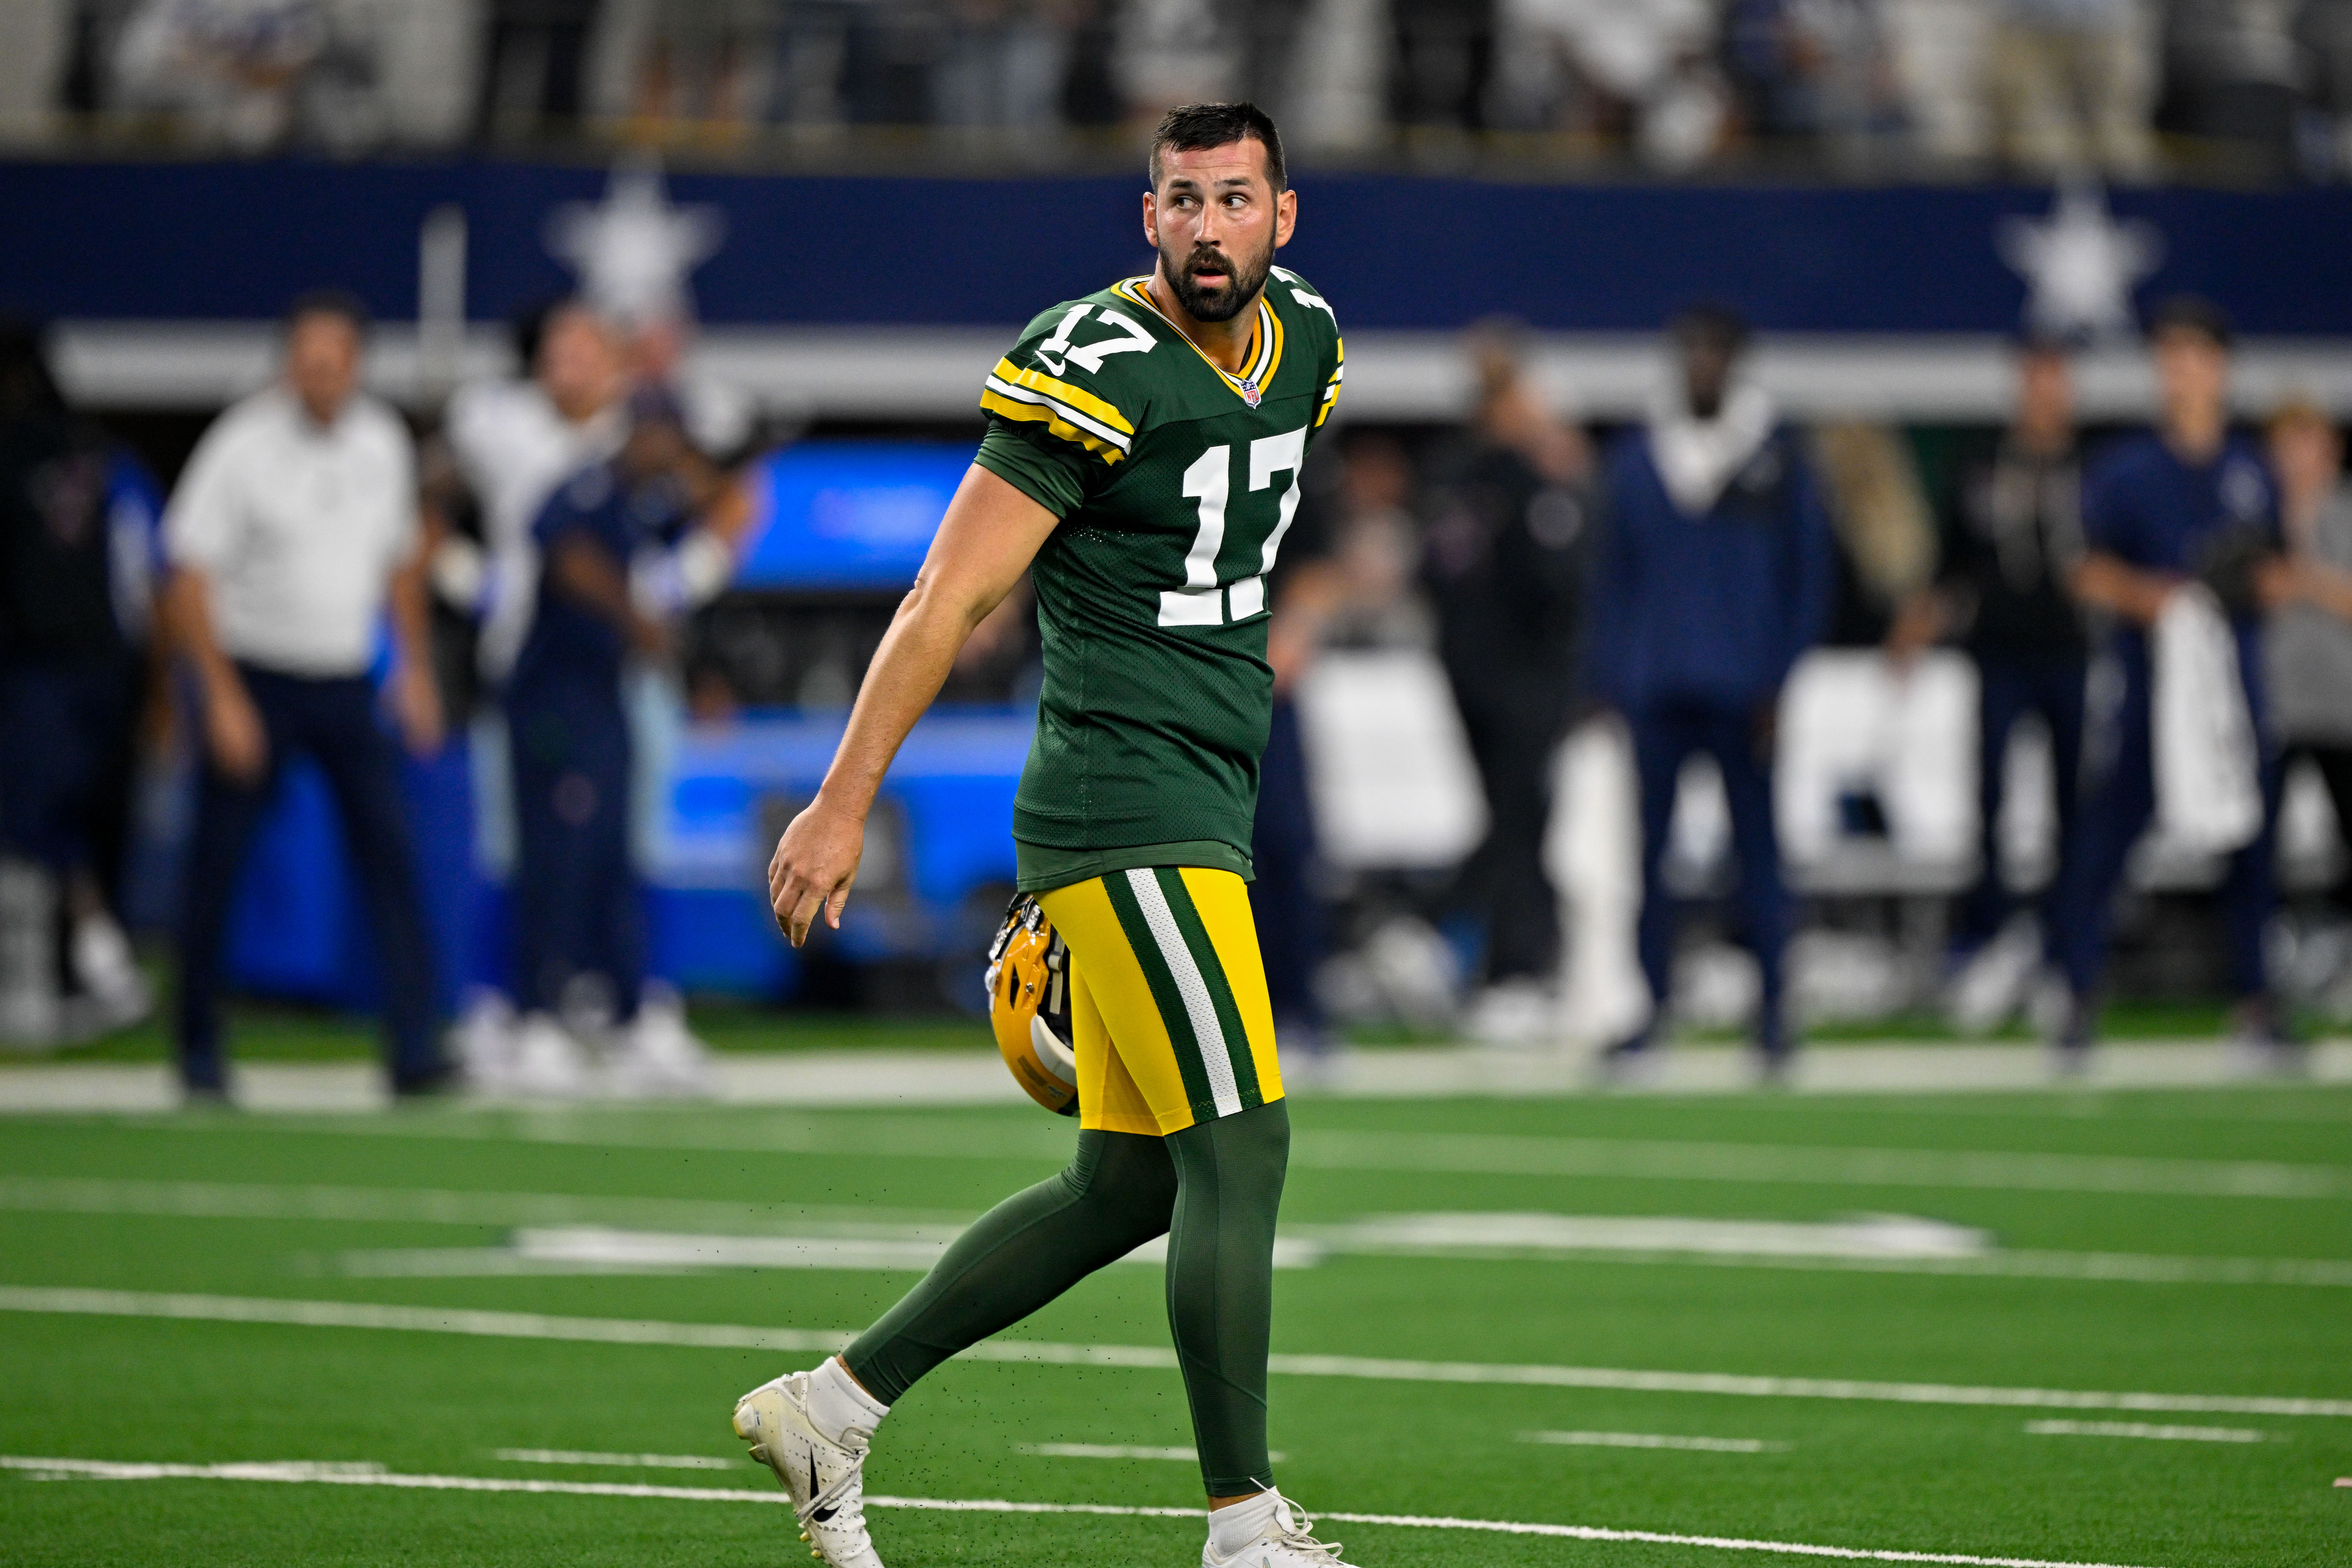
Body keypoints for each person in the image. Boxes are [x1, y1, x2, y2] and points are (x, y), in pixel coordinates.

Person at [745, 102, 1355, 1568]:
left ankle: (832, 1403)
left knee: (1132, 1179)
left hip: (1210, 787)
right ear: (1146, 217)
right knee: (1247, 1137)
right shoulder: (1092, 359)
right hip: (1124, 801)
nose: (1209, 226)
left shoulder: (1313, 346)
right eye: (1182, 200)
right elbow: (943, 599)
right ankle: (1244, 1524)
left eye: (1235, 198)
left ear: (1285, 216)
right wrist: (842, 799)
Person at [162, 290, 449, 1100]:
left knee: (390, 857)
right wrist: (219, 696)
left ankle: (414, 1045)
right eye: (307, 357)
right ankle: (196, 1045)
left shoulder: (382, 440)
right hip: (258, 676)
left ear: (356, 363)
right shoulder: (242, 443)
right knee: (217, 865)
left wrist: (415, 671)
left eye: (335, 357)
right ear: (288, 361)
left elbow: (400, 565)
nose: (320, 372)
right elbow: (186, 572)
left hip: (347, 676)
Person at [1587, 304, 1835, 1078]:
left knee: (1757, 855)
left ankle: (1771, 1016)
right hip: (1659, 684)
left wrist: (1780, 674)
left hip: (1743, 687)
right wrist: (1609, 679)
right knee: (1649, 857)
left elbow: (1809, 576)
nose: (1701, 365)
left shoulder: (1775, 454)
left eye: (1714, 352)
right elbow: (1610, 578)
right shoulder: (1638, 458)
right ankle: (1649, 1010)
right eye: (1690, 350)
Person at [2056, 297, 2287, 1068]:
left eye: (2193, 356)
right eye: (2169, 356)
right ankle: (2077, 997)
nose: (2180, 372)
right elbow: (2087, 571)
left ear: (2219, 367)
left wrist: (2243, 590)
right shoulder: (2126, 472)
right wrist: (2160, 598)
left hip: (2233, 689)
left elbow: (2273, 572)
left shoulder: (2250, 468)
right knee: (2107, 844)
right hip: (2152, 689)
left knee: (2251, 848)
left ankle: (2256, 1003)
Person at [501, 386, 737, 1097]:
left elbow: (697, 531)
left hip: (604, 701)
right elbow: (564, 554)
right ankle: (534, 1016)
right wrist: (632, 616)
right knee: (557, 860)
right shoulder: (588, 485)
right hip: (554, 702)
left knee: (610, 857)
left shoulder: (643, 500)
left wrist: (715, 493)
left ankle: (623, 1013)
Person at [1892, 335, 2091, 1030]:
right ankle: (1990, 938)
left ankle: (2071, 946)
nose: (2043, 393)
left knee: (2075, 804)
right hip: (2001, 652)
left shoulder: (2093, 466)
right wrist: (1914, 626)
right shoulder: (1983, 466)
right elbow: (1952, 563)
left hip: (2072, 652)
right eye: (2033, 379)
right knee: (1992, 800)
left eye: (2054, 380)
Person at [1422, 329, 1591, 1042]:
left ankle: (1489, 954)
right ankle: (1512, 969)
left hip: (1478, 670)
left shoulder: (1453, 474)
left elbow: (1439, 573)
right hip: (1519, 674)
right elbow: (1557, 582)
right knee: (1520, 821)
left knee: (1513, 820)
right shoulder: (1523, 475)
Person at [0, 321, 162, 1044]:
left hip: (43, 668)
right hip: (106, 669)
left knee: (29, 828)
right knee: (71, 827)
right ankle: (100, 969)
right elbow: (142, 570)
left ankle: (36, 985)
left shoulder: (16, 451)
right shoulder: (101, 456)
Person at [2262, 403, 2352, 945]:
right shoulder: (2256, 512)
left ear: (2330, 448)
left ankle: (2341, 949)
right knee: (2257, 841)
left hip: (2343, 704)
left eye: (2307, 441)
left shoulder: (2347, 512)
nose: (2295, 456)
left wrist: (2307, 580)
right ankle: (2267, 952)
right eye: (2285, 443)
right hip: (2273, 703)